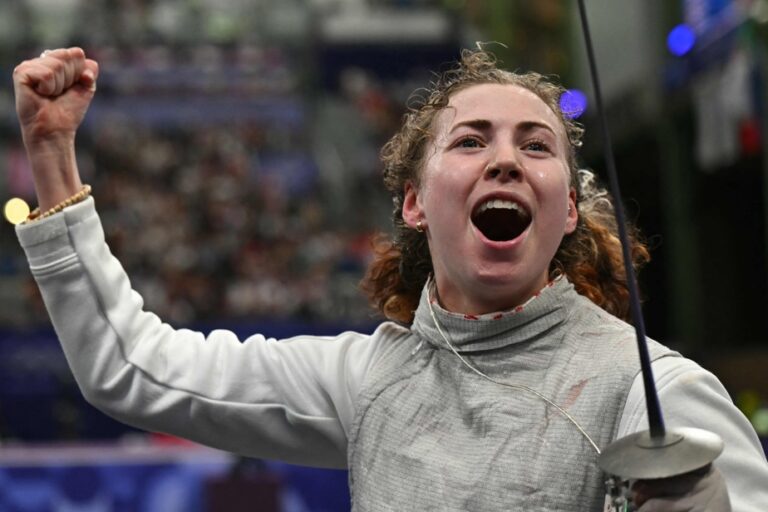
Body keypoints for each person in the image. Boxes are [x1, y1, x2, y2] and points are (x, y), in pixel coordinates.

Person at [11, 46, 768, 511]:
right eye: (471, 141)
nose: (504, 159)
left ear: (568, 209)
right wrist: (51, 159)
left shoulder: (655, 395)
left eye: (536, 146)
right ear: (413, 202)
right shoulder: (367, 379)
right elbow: (129, 367)